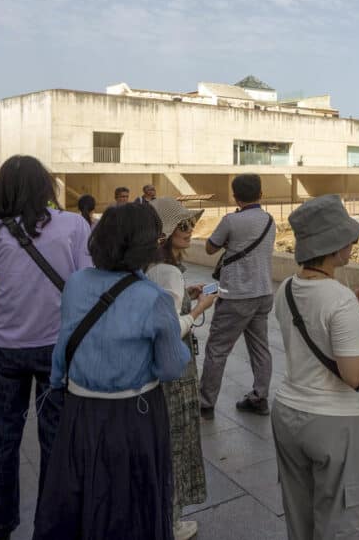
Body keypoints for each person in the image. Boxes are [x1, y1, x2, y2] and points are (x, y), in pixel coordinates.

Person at [33, 203, 191, 540]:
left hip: (78, 410)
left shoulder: (76, 283)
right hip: (133, 416)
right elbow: (171, 366)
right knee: (130, 503)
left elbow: (64, 344)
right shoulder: (154, 298)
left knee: (79, 494)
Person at [0, 155, 92, 540]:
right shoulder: (74, 224)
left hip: (3, 346)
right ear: (45, 186)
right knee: (56, 442)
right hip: (56, 347)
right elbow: (84, 282)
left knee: (2, 439)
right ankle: (53, 527)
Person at [271, 195, 359, 540]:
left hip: (288, 411)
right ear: (333, 245)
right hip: (334, 422)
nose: (353, 243)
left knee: (300, 516)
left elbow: (312, 324)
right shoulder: (337, 299)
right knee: (339, 523)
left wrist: (351, 303)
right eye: (348, 238)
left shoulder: (288, 289)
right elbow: (354, 374)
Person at [146, 198, 217, 540]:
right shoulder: (169, 271)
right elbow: (171, 326)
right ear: (164, 234)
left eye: (190, 225)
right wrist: (199, 306)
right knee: (176, 444)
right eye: (183, 227)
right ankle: (172, 521)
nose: (190, 232)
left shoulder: (150, 267)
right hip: (175, 371)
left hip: (152, 371)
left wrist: (186, 295)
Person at [201, 174, 276, 418]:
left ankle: (206, 402)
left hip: (236, 296)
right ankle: (259, 397)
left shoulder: (231, 220)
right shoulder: (270, 220)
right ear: (261, 194)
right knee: (260, 348)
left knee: (217, 349)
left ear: (235, 196)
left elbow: (210, 247)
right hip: (263, 293)